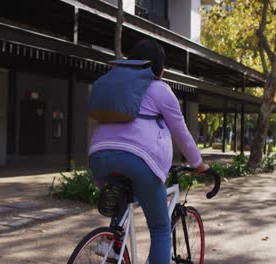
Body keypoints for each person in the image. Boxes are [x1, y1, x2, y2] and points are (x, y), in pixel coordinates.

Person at [89, 39, 209, 263]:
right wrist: (198, 163)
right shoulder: (160, 89)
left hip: (99, 156)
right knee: (161, 228)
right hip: (140, 160)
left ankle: (113, 241)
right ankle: (116, 243)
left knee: (125, 191)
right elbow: (181, 132)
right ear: (161, 70)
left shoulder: (116, 86)